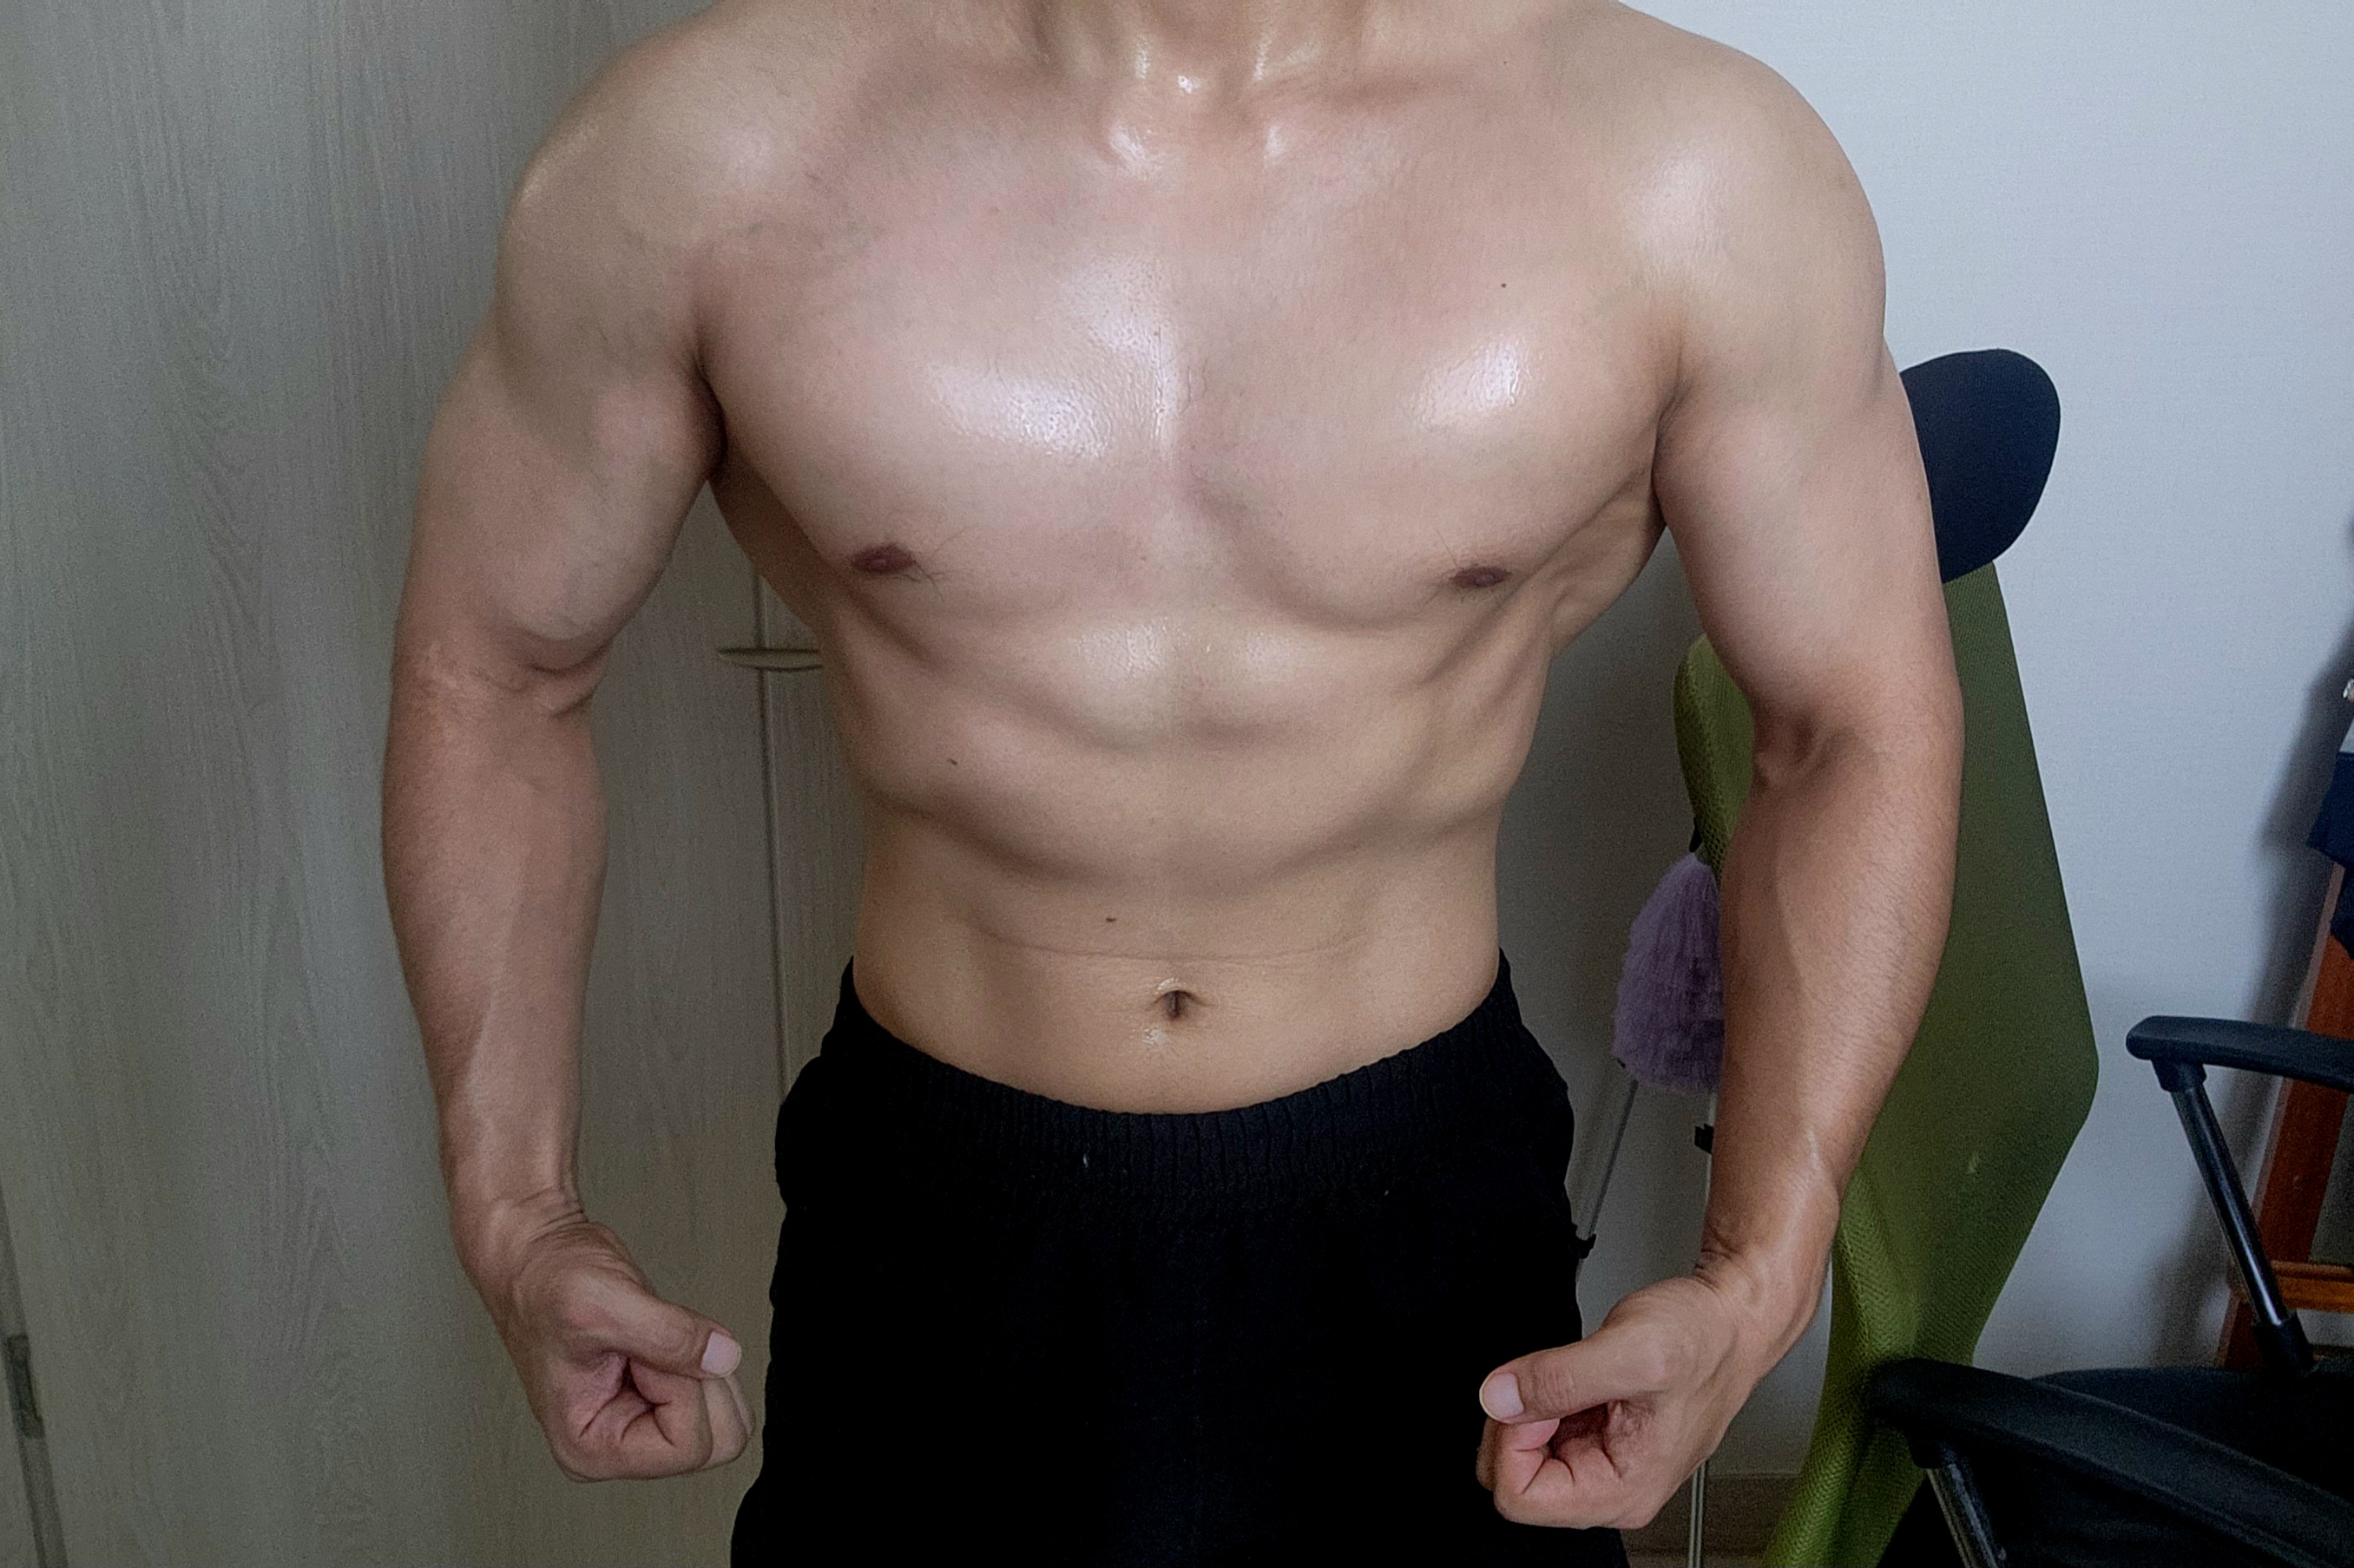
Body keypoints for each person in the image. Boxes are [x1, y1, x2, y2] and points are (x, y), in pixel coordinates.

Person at [380, 0, 1963, 1559]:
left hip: (1421, 1210)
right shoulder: (705, 150)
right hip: (942, 1212)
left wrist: (1763, 1269)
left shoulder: (1684, 166)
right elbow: (496, 672)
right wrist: (517, 1215)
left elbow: (1850, 727)